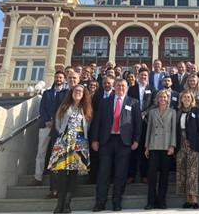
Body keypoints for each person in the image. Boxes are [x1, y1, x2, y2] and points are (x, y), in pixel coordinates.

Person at [91, 78, 142, 212]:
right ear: (114, 87)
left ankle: (116, 202)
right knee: (103, 172)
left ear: (127, 88)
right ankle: (100, 203)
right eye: (118, 85)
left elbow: (138, 124)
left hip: (124, 142)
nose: (121, 88)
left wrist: (136, 140)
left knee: (120, 173)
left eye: (123, 86)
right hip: (106, 141)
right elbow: (97, 122)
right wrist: (95, 139)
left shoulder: (134, 102)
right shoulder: (105, 102)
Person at [48, 84, 92, 213]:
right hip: (64, 140)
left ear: (84, 94)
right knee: (62, 173)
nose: (78, 93)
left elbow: (88, 125)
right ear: (72, 92)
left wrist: (79, 136)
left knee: (73, 174)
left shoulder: (87, 108)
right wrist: (64, 134)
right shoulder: (64, 106)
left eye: (80, 91)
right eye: (76, 90)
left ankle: (67, 204)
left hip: (79, 142)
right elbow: (57, 122)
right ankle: (59, 203)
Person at [30, 71, 66, 187]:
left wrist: (55, 121)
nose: (58, 79)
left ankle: (55, 181)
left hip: (58, 127)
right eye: (57, 77)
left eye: (60, 77)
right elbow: (42, 108)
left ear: (64, 79)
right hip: (45, 126)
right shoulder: (47, 93)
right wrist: (47, 120)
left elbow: (65, 110)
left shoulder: (66, 93)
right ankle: (38, 177)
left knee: (56, 153)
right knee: (41, 152)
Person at [176, 90, 199, 209]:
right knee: (183, 170)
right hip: (180, 143)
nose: (186, 99)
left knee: (193, 171)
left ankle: (194, 199)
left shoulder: (197, 111)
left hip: (193, 143)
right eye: (184, 97)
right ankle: (188, 200)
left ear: (192, 99)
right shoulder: (178, 112)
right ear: (181, 99)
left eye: (188, 97)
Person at [144, 90, 177, 210]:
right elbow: (149, 130)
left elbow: (174, 130)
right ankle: (151, 201)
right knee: (152, 175)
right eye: (160, 97)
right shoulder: (152, 112)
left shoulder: (173, 112)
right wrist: (147, 146)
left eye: (164, 97)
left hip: (166, 146)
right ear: (157, 99)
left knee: (164, 175)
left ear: (168, 99)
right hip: (153, 145)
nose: (162, 99)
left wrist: (172, 145)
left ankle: (162, 201)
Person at [127, 68, 156, 183]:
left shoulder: (152, 89)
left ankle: (145, 175)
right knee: (133, 148)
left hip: (146, 122)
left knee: (145, 147)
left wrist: (144, 113)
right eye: (141, 75)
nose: (143, 77)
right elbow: (128, 102)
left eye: (145, 75)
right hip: (133, 123)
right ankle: (131, 175)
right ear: (137, 76)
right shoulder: (131, 89)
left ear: (147, 77)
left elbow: (154, 104)